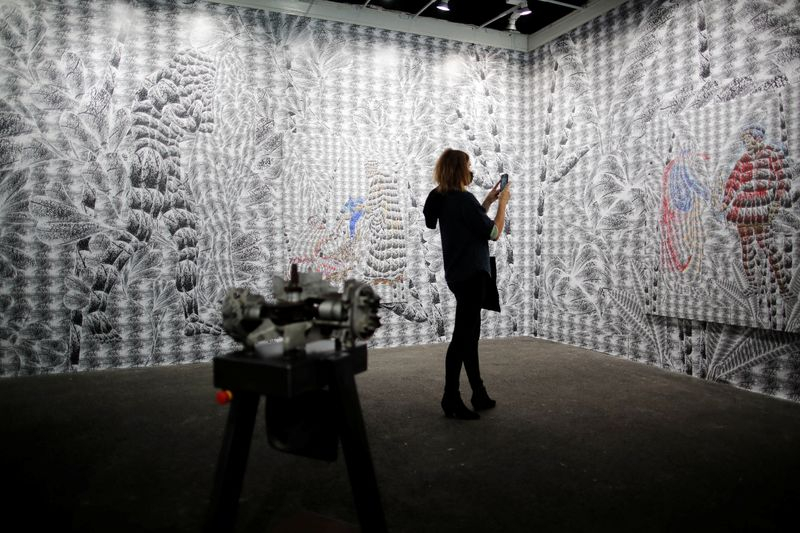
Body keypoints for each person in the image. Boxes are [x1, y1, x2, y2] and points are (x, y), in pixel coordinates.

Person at [423, 148, 511, 420]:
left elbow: (466, 222)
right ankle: (450, 398)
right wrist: (503, 203)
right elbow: (494, 233)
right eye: (468, 166)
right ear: (460, 169)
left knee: (469, 337)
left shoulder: (440, 197)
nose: (471, 171)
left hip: (457, 275)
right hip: (473, 276)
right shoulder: (463, 199)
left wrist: (487, 202)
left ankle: (478, 393)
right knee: (463, 340)